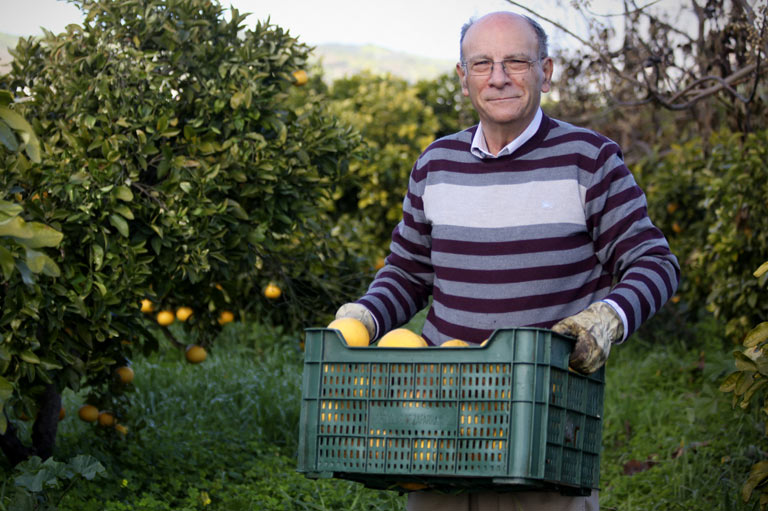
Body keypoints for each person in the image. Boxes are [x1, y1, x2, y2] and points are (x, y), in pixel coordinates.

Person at [335, 10, 680, 511]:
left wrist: (609, 319)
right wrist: (365, 314)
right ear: (463, 76)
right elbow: (409, 273)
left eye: (516, 61)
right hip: (437, 424)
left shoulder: (590, 160)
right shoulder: (435, 164)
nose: (498, 77)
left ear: (547, 70)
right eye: (482, 64)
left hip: (542, 426)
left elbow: (654, 263)